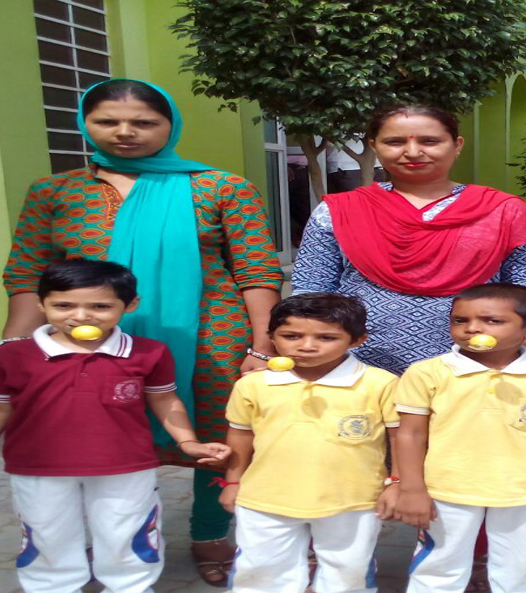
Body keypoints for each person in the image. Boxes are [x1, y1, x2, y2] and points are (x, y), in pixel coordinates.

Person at [1, 79, 284, 586]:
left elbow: (257, 271)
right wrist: (16, 347)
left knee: (217, 430)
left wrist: (262, 345)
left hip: (209, 334)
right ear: (84, 123)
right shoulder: (55, 191)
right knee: (83, 430)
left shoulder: (221, 187)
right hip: (83, 339)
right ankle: (92, 540)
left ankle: (209, 533)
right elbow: (27, 274)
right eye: (107, 121)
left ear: (170, 125)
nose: (125, 132)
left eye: (144, 122)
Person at [0, 259, 231, 593]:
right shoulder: (12, 355)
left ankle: (130, 589)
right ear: (41, 304)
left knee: (128, 533)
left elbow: (165, 400)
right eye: (63, 305)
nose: (81, 316)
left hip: (126, 465)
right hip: (37, 466)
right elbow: (4, 406)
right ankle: (51, 589)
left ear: (130, 304)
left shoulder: (148, 352)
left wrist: (188, 442)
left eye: (100, 306)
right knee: (46, 536)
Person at [292, 105, 526, 376]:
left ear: (457, 145)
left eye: (429, 141)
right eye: (394, 142)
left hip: (474, 366)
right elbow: (311, 290)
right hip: (358, 369)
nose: (412, 152)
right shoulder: (339, 211)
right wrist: (318, 358)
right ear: (374, 146)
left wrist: (508, 358)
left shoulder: (503, 211)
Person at [394, 283, 526, 593]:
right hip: (447, 487)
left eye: (491, 320)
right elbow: (410, 433)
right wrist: (411, 488)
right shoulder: (427, 372)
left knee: (521, 568)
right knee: (440, 566)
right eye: (460, 320)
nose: (472, 328)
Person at [218, 293, 399, 592]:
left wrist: (397, 482)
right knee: (261, 574)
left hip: (354, 499)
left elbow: (399, 436)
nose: (306, 346)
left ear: (357, 340)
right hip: (264, 498)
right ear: (271, 336)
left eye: (326, 337)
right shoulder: (253, 384)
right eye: (291, 336)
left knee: (347, 575)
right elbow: (241, 434)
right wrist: (233, 481)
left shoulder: (380, 384)